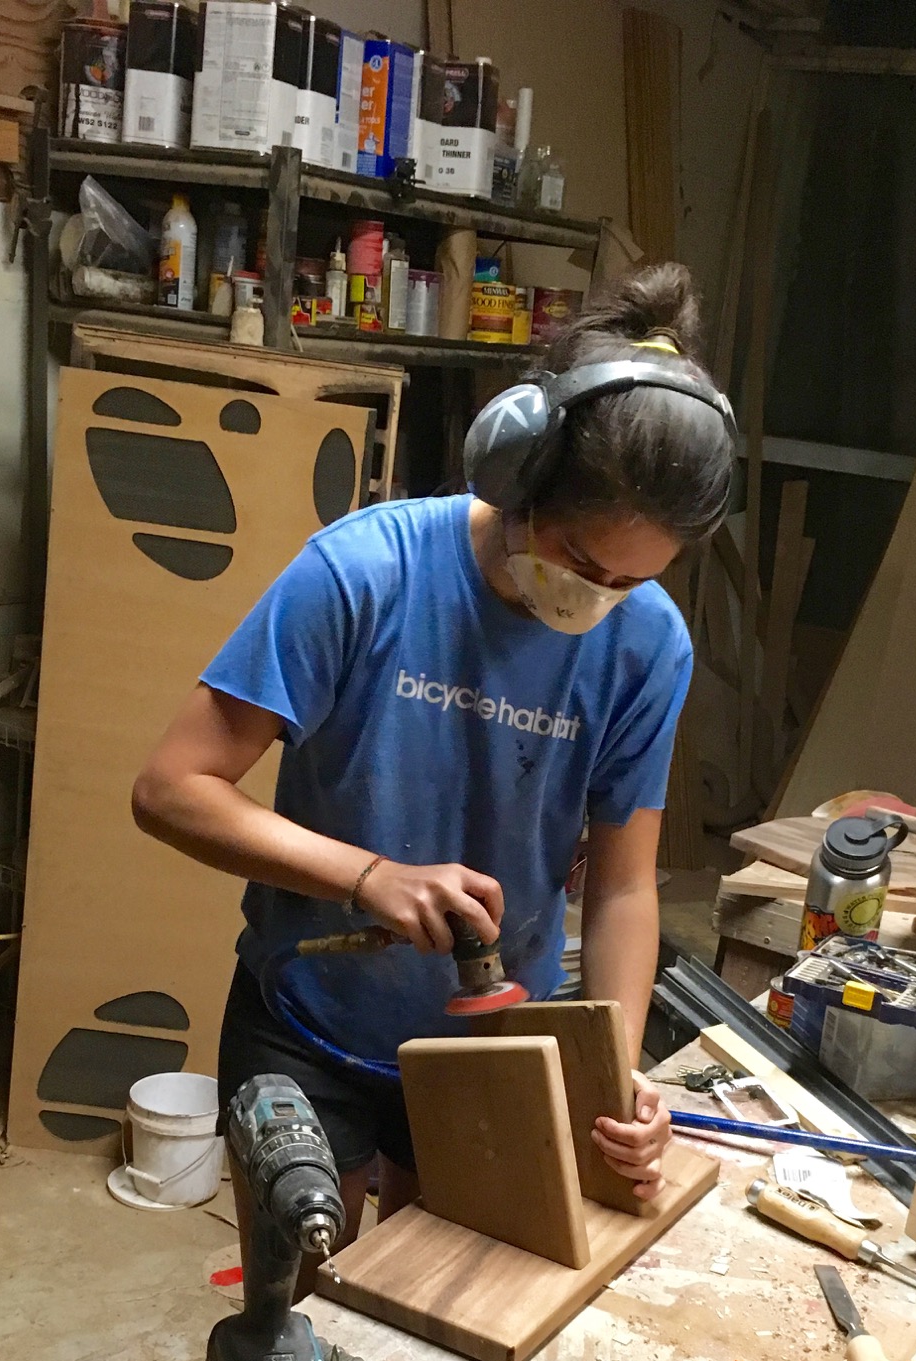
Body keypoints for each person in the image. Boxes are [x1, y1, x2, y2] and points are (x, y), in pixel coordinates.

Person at [132, 261, 735, 1258]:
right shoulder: (363, 575)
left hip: (495, 1049)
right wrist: (365, 875)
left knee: (449, 1321)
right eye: (586, 564)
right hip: (308, 1024)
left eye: (633, 581)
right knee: (304, 1310)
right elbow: (171, 789)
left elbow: (625, 886)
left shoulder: (648, 645)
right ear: (520, 475)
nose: (600, 599)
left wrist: (614, 1070)